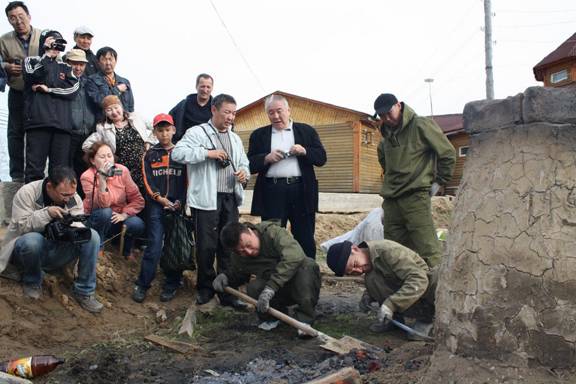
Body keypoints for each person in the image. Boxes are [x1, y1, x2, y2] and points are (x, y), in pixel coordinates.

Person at [172, 94, 249, 307]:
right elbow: (178, 153)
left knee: (229, 246)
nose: (231, 117)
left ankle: (227, 291)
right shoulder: (197, 132)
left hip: (229, 197)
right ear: (214, 110)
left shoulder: (235, 138)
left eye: (233, 113)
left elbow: (244, 162)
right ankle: (205, 288)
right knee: (206, 246)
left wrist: (244, 173)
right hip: (206, 198)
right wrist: (208, 153)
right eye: (227, 112)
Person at [0, 166, 103, 313]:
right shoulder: (27, 193)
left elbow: (78, 227)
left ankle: (84, 291)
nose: (68, 198)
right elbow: (22, 226)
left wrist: (70, 226)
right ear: (50, 186)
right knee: (32, 241)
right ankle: (32, 281)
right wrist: (47, 214)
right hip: (28, 251)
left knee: (92, 236)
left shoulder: (73, 198)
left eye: (72, 194)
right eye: (64, 194)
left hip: (57, 249)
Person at [374, 93, 456, 267]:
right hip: (391, 201)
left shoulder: (421, 125)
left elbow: (447, 153)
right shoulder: (385, 139)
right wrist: (386, 200)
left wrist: (439, 181)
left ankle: (438, 292)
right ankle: (404, 290)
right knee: (393, 252)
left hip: (415, 198)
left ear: (398, 105)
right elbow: (385, 165)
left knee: (428, 250)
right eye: (382, 116)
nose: (387, 119)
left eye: (389, 113)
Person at [247, 94, 326, 259]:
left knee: (304, 236)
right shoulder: (259, 135)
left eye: (279, 111)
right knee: (271, 237)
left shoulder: (306, 131)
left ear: (288, 111)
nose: (275, 116)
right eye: (271, 112)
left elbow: (321, 158)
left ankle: (307, 275)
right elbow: (249, 164)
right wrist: (266, 158)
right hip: (272, 191)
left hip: (300, 191)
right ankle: (274, 275)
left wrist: (304, 151)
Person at [215, 221, 321, 336]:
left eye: (249, 245)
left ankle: (304, 320)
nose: (249, 252)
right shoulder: (239, 256)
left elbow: (294, 257)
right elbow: (239, 272)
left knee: (307, 266)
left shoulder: (272, 233)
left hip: (299, 282)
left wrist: (271, 287)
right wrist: (225, 277)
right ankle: (273, 317)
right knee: (254, 287)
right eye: (242, 252)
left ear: (250, 231)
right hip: (278, 289)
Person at [326, 239, 436, 340]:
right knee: (371, 279)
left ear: (355, 249)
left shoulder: (389, 252)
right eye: (352, 272)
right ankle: (394, 319)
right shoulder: (369, 262)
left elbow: (419, 279)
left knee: (429, 282)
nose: (358, 271)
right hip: (408, 286)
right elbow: (384, 279)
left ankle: (426, 318)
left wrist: (391, 304)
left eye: (355, 264)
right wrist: (368, 296)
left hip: (425, 289)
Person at [133, 113, 187, 303]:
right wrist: (158, 198)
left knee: (175, 245)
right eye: (160, 130)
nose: (164, 134)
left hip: (177, 205)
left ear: (173, 130)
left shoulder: (181, 152)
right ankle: (142, 284)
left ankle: (172, 283)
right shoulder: (149, 154)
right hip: (156, 206)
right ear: (154, 132)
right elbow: (146, 181)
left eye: (167, 130)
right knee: (154, 245)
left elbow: (187, 180)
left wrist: (181, 200)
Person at [23, 29, 79, 183]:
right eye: (51, 41)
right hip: (38, 122)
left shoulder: (66, 67)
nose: (55, 44)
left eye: (58, 41)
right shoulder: (31, 61)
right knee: (34, 170)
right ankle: (32, 205)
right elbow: (32, 77)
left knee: (60, 172)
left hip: (62, 126)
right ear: (43, 43)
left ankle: (56, 205)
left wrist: (49, 89)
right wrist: (47, 56)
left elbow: (73, 90)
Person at [80, 142, 145, 260]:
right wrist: (102, 179)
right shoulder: (87, 176)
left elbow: (138, 199)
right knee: (105, 212)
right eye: (102, 157)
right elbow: (102, 205)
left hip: (118, 216)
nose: (107, 160)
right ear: (93, 160)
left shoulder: (122, 171)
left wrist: (124, 214)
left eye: (109, 156)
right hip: (98, 217)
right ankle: (98, 246)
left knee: (137, 223)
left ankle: (127, 250)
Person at [0, 1, 41, 182]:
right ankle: (16, 175)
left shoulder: (43, 36)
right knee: (15, 133)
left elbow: (57, 59)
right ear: (9, 21)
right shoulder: (4, 40)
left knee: (38, 132)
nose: (18, 21)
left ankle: (35, 175)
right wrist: (5, 66)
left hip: (39, 94)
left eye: (21, 16)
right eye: (13, 18)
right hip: (16, 92)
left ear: (29, 16)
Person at [82, 95, 156, 193]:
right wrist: (106, 154)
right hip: (122, 170)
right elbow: (86, 146)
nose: (114, 112)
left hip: (144, 165)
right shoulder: (103, 128)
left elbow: (156, 127)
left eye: (116, 107)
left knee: (148, 194)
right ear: (105, 113)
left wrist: (149, 142)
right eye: (109, 110)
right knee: (128, 196)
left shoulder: (136, 117)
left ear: (121, 107)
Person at [66, 48, 96, 193]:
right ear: (67, 63)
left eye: (81, 64)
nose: (78, 67)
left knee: (85, 169)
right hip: (69, 132)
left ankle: (84, 204)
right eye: (74, 63)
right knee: (67, 168)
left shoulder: (89, 83)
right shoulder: (63, 80)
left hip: (87, 134)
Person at [86, 46, 133, 115]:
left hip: (124, 123)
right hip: (103, 122)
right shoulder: (91, 80)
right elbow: (98, 101)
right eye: (104, 59)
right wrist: (117, 90)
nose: (108, 63)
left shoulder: (125, 81)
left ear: (116, 61)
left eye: (110, 59)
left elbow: (130, 106)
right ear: (98, 62)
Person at [169, 73, 214, 142]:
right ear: (196, 86)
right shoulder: (184, 104)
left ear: (212, 88)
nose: (205, 90)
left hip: (208, 144)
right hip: (185, 143)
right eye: (202, 86)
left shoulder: (216, 107)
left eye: (208, 87)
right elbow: (169, 119)